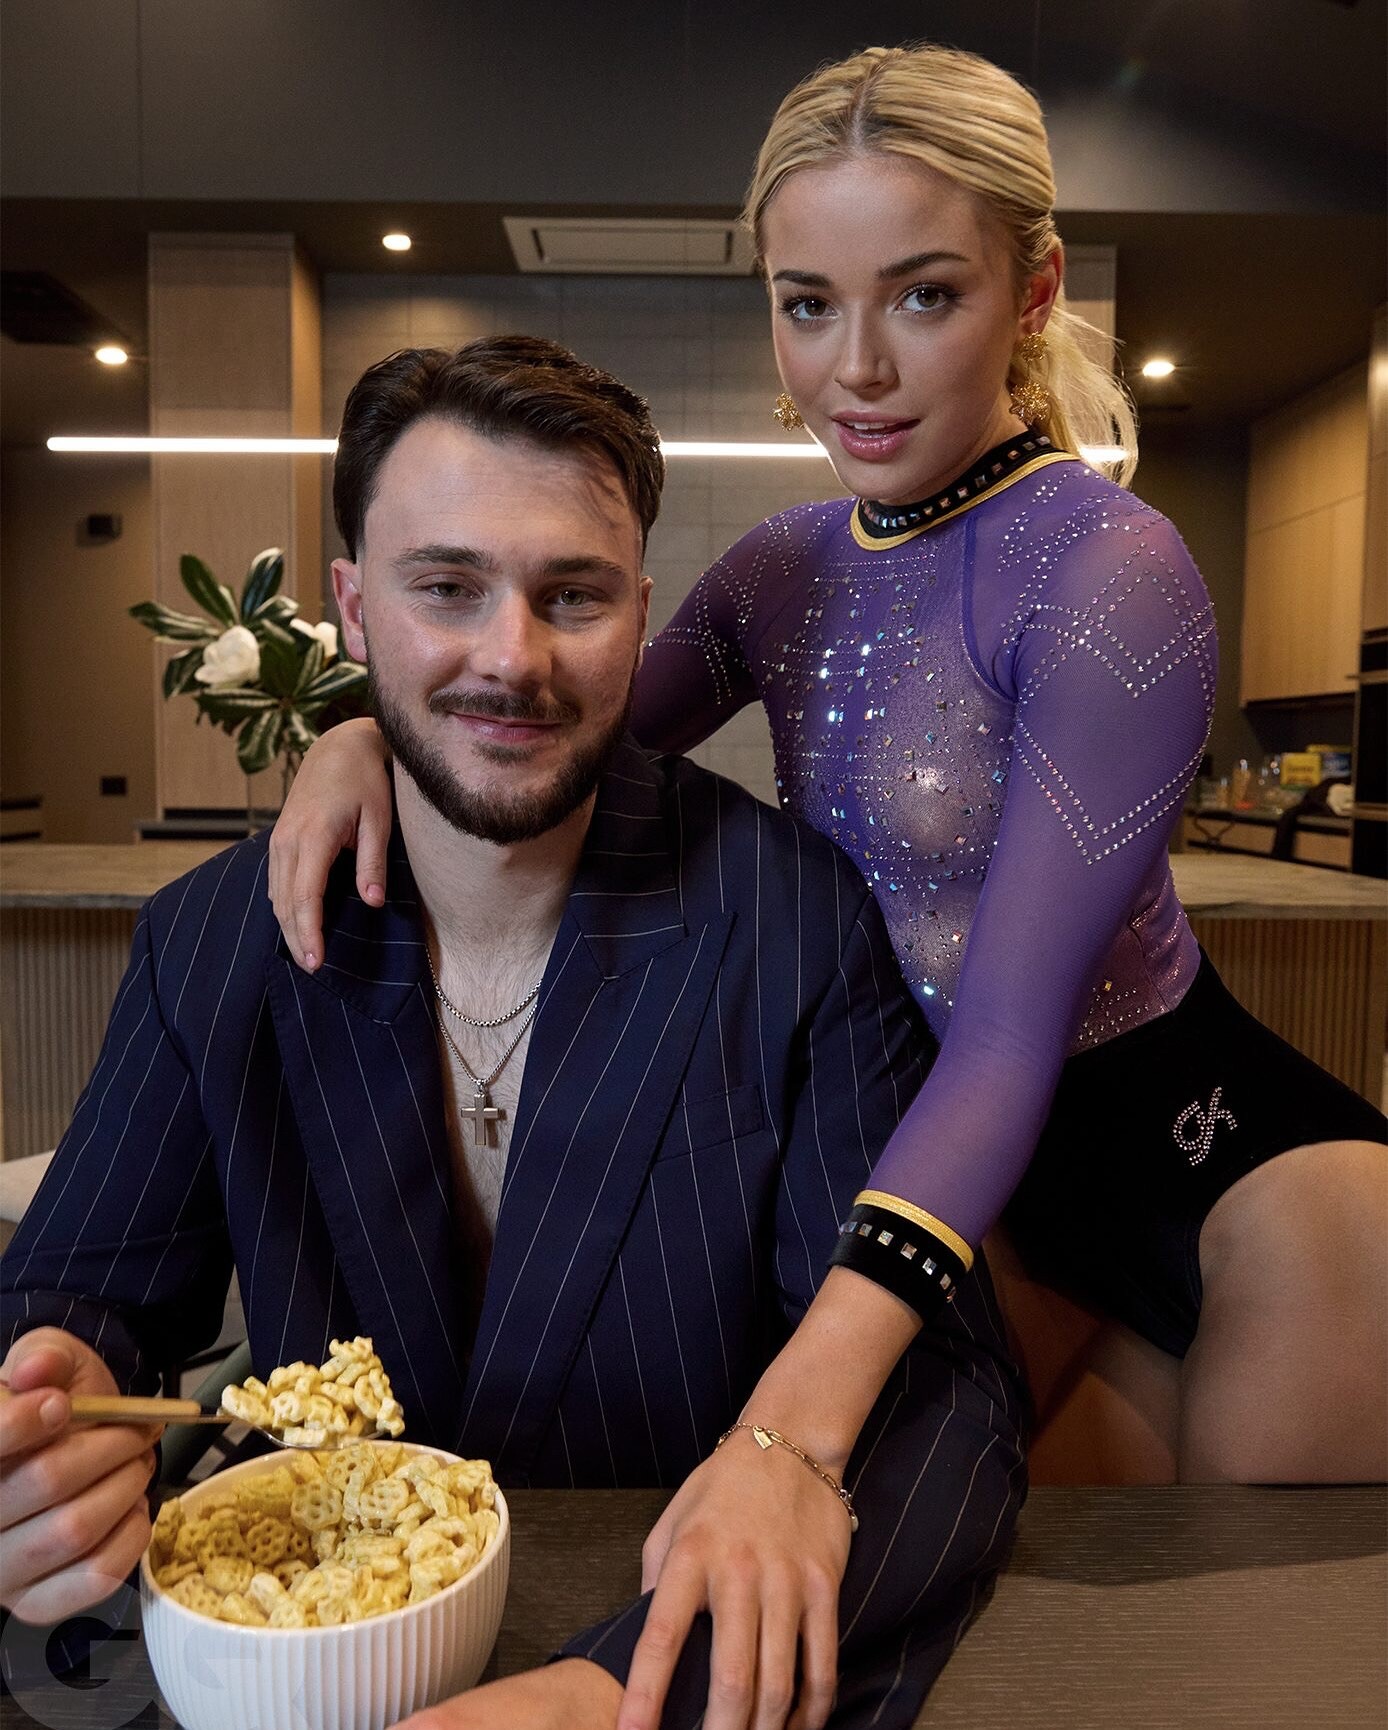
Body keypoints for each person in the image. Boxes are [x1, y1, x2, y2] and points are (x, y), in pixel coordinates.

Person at [269, 39, 1388, 1730]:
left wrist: (783, 1431)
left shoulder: (1113, 570)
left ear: (1033, 290)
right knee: (960, 1595)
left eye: (923, 296)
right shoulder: (783, 569)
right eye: (808, 304)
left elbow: (1007, 1033)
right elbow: (545, 742)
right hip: (953, 1161)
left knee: (1237, 1670)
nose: (854, 369)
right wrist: (365, 738)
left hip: (1216, 1174)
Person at [0, 337, 1025, 1730]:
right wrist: (55, 1403)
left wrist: (616, 1689)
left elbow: (946, 1398)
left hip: (642, 1628)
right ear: (355, 608)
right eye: (447, 588)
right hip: (298, 1660)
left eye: (573, 596)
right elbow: (84, 1296)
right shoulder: (215, 939)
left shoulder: (793, 917)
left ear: (640, 615)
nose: (512, 657)